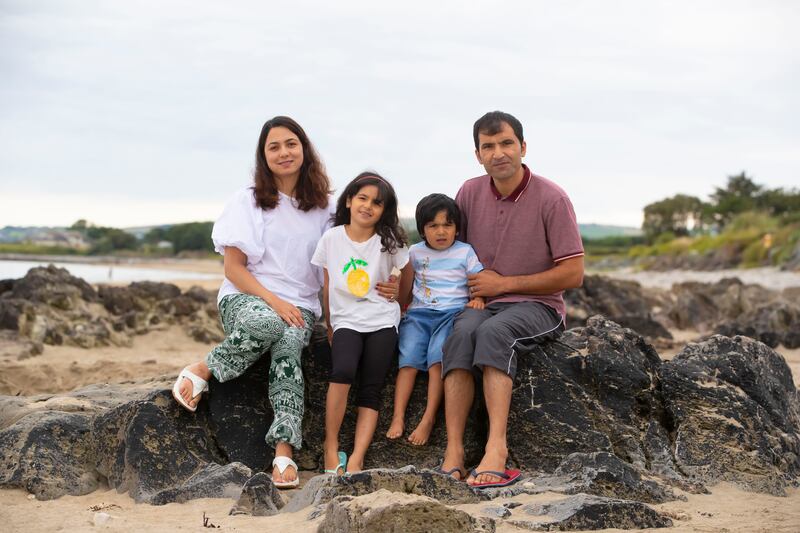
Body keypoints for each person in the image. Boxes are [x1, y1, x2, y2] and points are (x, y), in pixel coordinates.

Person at [172, 116, 332, 489]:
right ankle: (204, 368)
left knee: (290, 346)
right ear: (263, 155)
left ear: (304, 149)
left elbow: (334, 269)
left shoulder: (326, 208)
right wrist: (275, 302)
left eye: (291, 144)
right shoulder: (247, 201)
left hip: (302, 307)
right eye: (273, 146)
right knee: (273, 324)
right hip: (247, 298)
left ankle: (283, 452)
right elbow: (233, 268)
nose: (284, 152)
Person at [440, 111, 584, 488]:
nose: (498, 153)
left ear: (522, 147)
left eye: (506, 143)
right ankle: (453, 451)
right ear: (478, 154)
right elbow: (450, 252)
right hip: (484, 303)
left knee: (494, 334)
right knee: (460, 335)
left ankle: (496, 451)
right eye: (488, 146)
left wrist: (503, 285)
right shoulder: (469, 192)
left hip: (539, 306)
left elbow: (573, 274)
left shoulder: (553, 198)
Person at [311, 172, 410, 475]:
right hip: (346, 319)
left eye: (377, 203)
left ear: (384, 210)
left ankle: (357, 458)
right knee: (342, 372)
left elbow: (404, 286)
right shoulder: (332, 238)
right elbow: (327, 286)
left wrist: (396, 293)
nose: (368, 206)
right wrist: (329, 324)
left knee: (372, 386)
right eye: (362, 198)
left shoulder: (389, 242)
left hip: (382, 318)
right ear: (350, 200)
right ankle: (331, 446)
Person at [386, 193, 484, 446]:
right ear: (422, 229)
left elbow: (477, 279)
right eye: (433, 226)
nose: (441, 232)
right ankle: (398, 416)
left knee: (436, 361)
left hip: (451, 315)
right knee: (407, 361)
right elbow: (399, 279)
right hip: (418, 315)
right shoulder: (415, 253)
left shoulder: (464, 252)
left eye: (447, 225)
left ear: (456, 228)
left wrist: (478, 298)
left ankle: (428, 418)